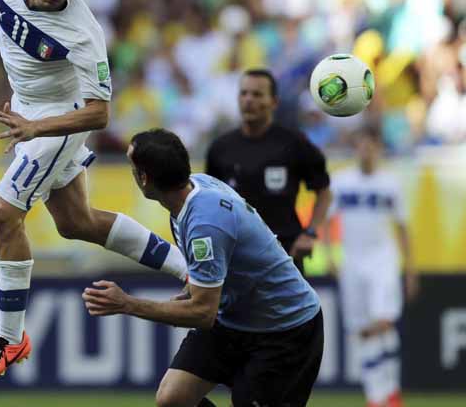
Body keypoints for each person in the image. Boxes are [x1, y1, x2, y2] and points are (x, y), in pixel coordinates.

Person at [0, 0, 188, 383]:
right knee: (76, 223)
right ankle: (190, 269)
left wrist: (35, 129)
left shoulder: (84, 34)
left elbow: (99, 113)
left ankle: (9, 339)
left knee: (4, 214)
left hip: (60, 122)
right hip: (27, 114)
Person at [82, 128, 324, 407]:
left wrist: (126, 304)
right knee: (173, 399)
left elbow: (202, 312)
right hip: (233, 319)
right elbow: (221, 266)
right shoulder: (197, 188)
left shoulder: (204, 224)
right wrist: (196, 288)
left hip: (283, 329)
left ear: (144, 178)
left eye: (132, 166)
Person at [323, 126, 418, 407]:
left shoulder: (390, 183)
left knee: (383, 320)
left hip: (383, 260)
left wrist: (410, 269)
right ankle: (383, 393)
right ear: (356, 148)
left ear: (378, 148)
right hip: (352, 262)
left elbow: (402, 227)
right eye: (361, 145)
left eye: (371, 145)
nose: (366, 150)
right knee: (363, 330)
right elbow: (328, 220)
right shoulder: (341, 182)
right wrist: (329, 255)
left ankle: (381, 395)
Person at [206, 69, 332, 273]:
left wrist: (309, 233)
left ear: (274, 102)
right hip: (236, 257)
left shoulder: (294, 143)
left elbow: (324, 192)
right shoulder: (220, 148)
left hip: (284, 255)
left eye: (257, 94)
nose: (248, 100)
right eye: (244, 93)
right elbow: (208, 204)